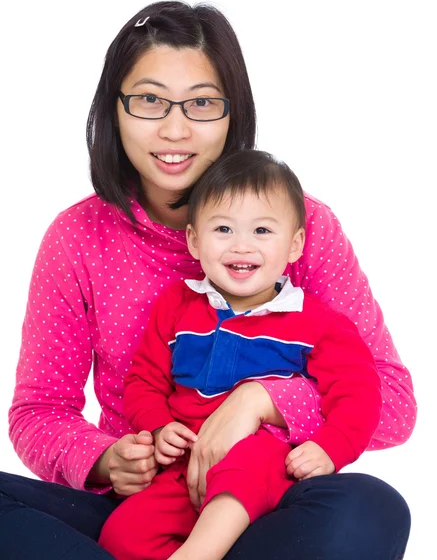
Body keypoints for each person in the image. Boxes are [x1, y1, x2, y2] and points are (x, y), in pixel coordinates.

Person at [1, 1, 414, 560]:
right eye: (149, 100)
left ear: (232, 112)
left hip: (266, 500)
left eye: (201, 103)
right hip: (145, 500)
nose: (175, 129)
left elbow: (389, 403)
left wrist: (259, 401)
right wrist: (105, 457)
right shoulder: (78, 237)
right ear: (114, 109)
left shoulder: (301, 224)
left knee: (370, 507)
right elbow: (38, 411)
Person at [98, 150, 383, 560]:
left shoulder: (318, 323)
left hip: (265, 463)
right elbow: (143, 381)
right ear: (194, 241)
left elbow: (359, 393)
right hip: (186, 466)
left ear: (295, 244)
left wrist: (330, 448)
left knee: (251, 459)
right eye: (224, 229)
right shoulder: (177, 307)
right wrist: (159, 427)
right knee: (121, 535)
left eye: (263, 231)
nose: (242, 246)